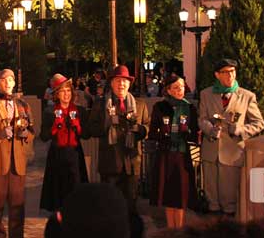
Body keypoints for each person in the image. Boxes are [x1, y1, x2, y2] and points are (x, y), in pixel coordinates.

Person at [198, 59, 264, 215]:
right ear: (217, 75)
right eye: (226, 72)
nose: (230, 75)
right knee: (211, 198)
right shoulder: (206, 94)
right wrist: (210, 129)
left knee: (230, 200)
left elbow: (259, 123)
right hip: (211, 151)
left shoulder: (246, 96)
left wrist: (241, 130)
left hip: (232, 153)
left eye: (233, 71)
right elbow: (202, 119)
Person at [87, 64, 149, 223]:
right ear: (111, 83)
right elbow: (91, 128)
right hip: (110, 162)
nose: (121, 84)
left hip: (131, 162)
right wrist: (107, 126)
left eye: (125, 81)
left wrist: (139, 129)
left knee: (131, 207)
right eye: (117, 81)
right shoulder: (101, 104)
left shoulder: (139, 105)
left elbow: (147, 127)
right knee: (109, 206)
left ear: (129, 84)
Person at [0, 69, 35, 238]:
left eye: (11, 80)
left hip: (17, 163)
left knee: (18, 206)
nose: (9, 83)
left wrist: (27, 135)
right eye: (5, 80)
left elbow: (32, 131)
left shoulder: (23, 105)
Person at [148, 74, 198, 229]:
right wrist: (162, 132)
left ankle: (180, 229)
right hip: (165, 154)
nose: (179, 90)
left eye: (182, 87)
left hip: (182, 155)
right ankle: (171, 229)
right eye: (175, 87)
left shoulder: (189, 107)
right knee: (169, 194)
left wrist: (188, 131)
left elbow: (195, 134)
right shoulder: (160, 107)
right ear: (168, 90)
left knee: (181, 193)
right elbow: (152, 133)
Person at [39, 74, 89, 212]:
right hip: (57, 156)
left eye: (68, 90)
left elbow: (86, 135)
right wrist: (55, 127)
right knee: (58, 192)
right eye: (62, 91)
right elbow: (43, 137)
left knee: (76, 190)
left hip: (75, 155)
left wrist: (78, 126)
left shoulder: (80, 111)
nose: (66, 94)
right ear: (56, 94)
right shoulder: (50, 112)